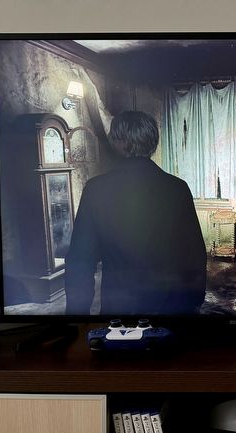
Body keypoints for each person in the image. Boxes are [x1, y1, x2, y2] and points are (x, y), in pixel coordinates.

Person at [65, 110, 207, 316]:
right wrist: (194, 301)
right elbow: (194, 253)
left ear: (117, 142)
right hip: (170, 304)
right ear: (153, 142)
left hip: (120, 306)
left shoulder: (97, 189)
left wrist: (76, 316)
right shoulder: (177, 188)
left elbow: (80, 260)